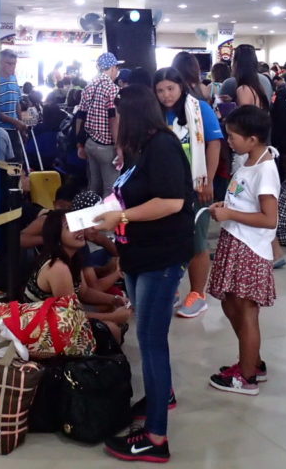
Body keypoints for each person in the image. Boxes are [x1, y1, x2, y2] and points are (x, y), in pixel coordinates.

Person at [92, 85, 194, 463]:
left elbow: (171, 202)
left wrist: (121, 217)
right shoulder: (139, 149)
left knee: (151, 339)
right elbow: (128, 195)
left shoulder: (163, 146)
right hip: (138, 252)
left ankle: (156, 437)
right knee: (146, 334)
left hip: (161, 256)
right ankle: (159, 394)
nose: (111, 123)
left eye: (115, 116)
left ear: (131, 115)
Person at [206, 105, 279, 396]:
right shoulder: (247, 160)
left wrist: (231, 215)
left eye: (233, 136)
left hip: (250, 247)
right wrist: (228, 207)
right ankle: (252, 360)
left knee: (246, 309)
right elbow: (243, 200)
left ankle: (246, 376)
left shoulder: (265, 169)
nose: (229, 141)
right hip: (235, 241)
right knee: (230, 303)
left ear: (253, 138)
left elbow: (268, 218)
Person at [153, 67, 224, 320]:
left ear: (181, 86)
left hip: (195, 186)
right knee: (167, 239)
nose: (166, 95)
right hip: (165, 188)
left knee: (196, 241)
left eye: (170, 88)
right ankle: (170, 289)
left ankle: (198, 294)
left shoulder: (199, 108)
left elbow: (214, 143)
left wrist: (208, 180)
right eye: (160, 90)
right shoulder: (156, 113)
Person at [24, 207, 130, 350]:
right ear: (57, 236)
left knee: (107, 308)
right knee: (111, 329)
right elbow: (71, 316)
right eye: (70, 227)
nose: (79, 230)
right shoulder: (58, 267)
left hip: (59, 317)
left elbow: (84, 292)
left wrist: (115, 299)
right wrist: (113, 318)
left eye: (78, 224)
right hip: (38, 328)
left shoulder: (72, 257)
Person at [76, 52, 122, 198]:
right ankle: (107, 220)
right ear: (113, 67)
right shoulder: (112, 89)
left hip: (90, 144)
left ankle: (91, 217)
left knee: (93, 187)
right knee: (110, 190)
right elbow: (113, 119)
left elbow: (80, 116)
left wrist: (79, 144)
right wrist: (118, 148)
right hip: (107, 147)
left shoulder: (89, 87)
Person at [0, 49, 28, 162]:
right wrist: (16, 122)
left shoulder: (13, 78)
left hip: (14, 129)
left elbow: (17, 103)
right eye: (8, 63)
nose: (12, 67)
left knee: (16, 164)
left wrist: (21, 125)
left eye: (14, 64)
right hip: (0, 130)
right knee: (2, 166)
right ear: (0, 62)